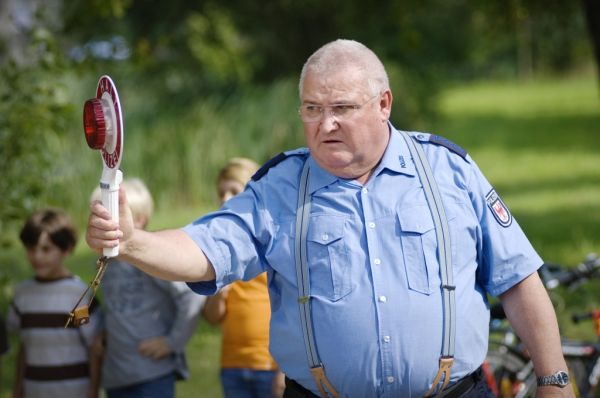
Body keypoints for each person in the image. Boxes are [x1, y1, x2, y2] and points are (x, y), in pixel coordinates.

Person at [86, 39, 575, 398]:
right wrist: (131, 241)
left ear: (384, 104)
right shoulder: (278, 187)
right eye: (312, 108)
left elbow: (518, 279)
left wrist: (553, 380)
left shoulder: (449, 170)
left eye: (341, 108)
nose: (325, 124)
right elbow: (204, 249)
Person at [90, 178, 205, 398]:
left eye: (111, 217)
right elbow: (114, 306)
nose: (103, 225)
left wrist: (172, 343)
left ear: (140, 220)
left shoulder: (150, 260)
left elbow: (191, 297)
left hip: (153, 373)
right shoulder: (106, 263)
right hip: (116, 374)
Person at [203, 158, 285, 398]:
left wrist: (284, 370)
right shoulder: (219, 245)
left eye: (234, 191)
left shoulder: (273, 241)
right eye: (221, 192)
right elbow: (212, 318)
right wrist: (219, 294)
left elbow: (292, 308)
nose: (225, 198)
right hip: (232, 366)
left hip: (270, 366)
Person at [7, 208, 103, 398]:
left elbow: (94, 348)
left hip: (74, 391)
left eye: (46, 249)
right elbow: (25, 347)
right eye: (31, 249)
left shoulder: (79, 296)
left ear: (66, 249)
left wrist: (93, 391)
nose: (38, 257)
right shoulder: (22, 294)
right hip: (35, 391)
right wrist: (17, 390)